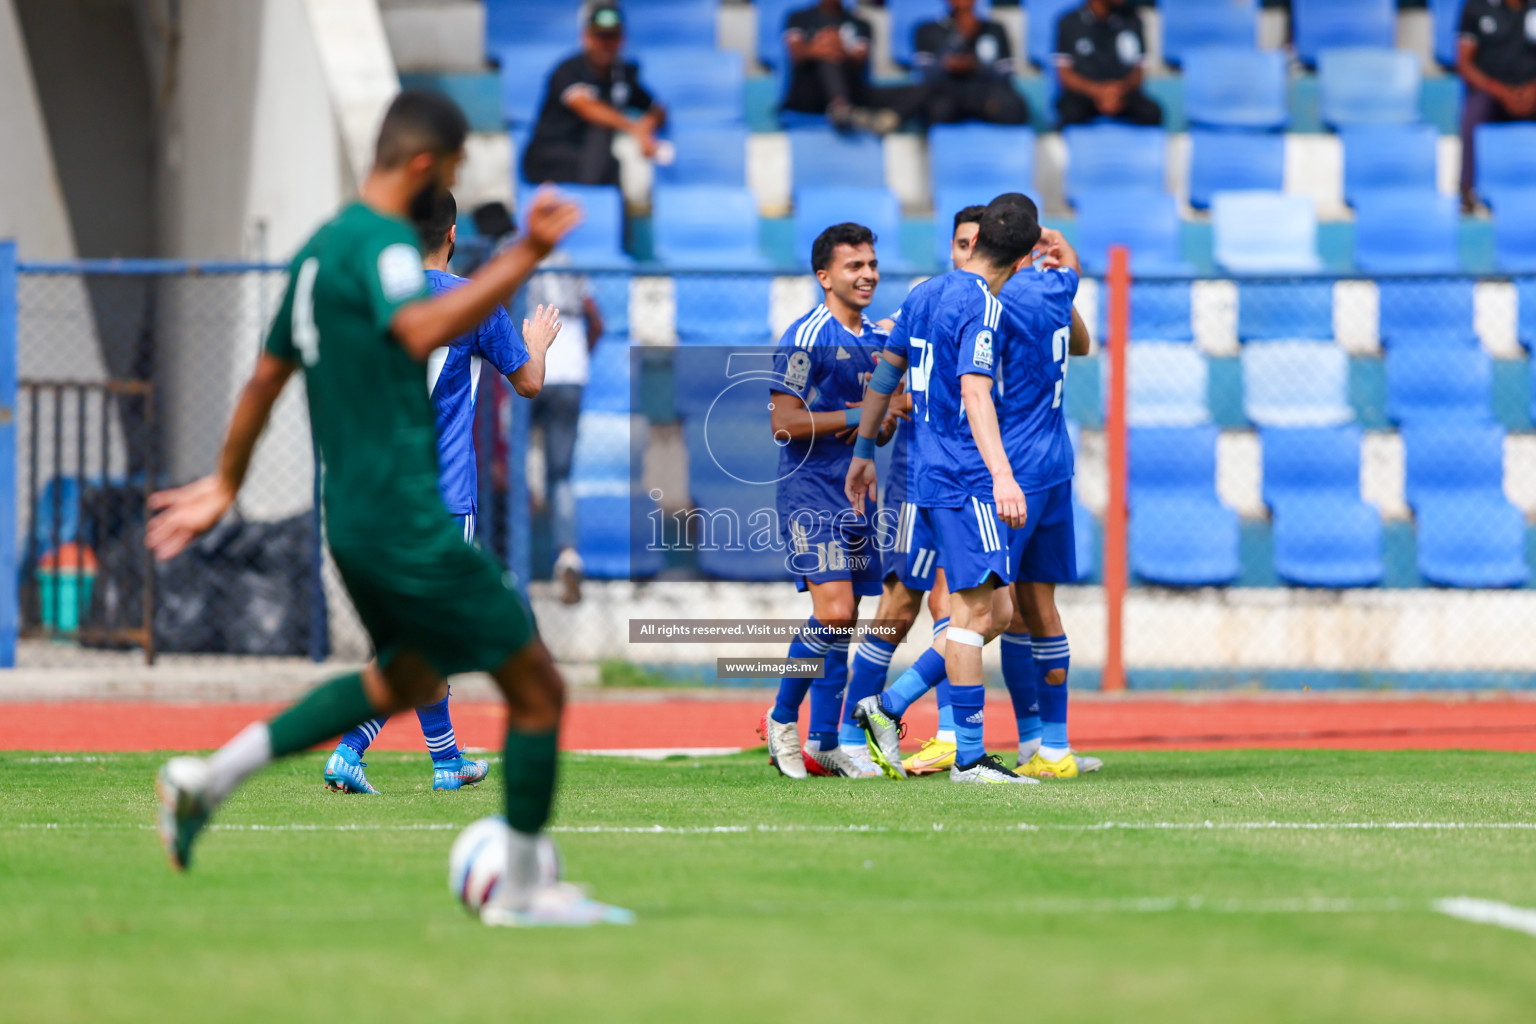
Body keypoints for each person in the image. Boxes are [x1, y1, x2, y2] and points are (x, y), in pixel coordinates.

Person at [147, 91, 632, 928]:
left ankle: (207, 780)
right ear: (422, 169)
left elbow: (266, 378)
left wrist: (226, 482)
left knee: (402, 676)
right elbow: (419, 328)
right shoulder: (382, 248)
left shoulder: (316, 253)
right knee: (540, 691)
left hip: (354, 521)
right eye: (445, 173)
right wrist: (523, 257)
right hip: (416, 517)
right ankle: (519, 893)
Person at [321, 189, 562, 796]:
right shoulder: (475, 301)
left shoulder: (377, 301)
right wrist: (537, 344)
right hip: (443, 494)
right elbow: (529, 383)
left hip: (377, 494)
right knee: (436, 632)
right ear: (453, 233)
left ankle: (447, 761)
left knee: (421, 631)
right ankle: (351, 746)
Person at [846, 196, 1040, 785]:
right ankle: (971, 759)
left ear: (978, 239)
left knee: (998, 612)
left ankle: (887, 705)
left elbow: (886, 371)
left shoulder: (925, 292)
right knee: (972, 614)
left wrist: (862, 452)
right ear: (1025, 255)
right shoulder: (982, 304)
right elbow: (977, 393)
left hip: (924, 475)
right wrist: (1002, 475)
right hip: (965, 478)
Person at [759, 222, 898, 780]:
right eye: (854, 266)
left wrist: (883, 422)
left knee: (847, 621)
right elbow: (783, 422)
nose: (867, 275)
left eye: (871, 264)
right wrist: (860, 415)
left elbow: (876, 431)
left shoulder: (873, 338)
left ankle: (823, 743)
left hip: (858, 494)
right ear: (824, 276)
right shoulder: (806, 335)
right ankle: (780, 720)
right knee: (834, 612)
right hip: (810, 492)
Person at [521, 3, 667, 187]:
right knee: (601, 132)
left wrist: (647, 124)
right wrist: (633, 128)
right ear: (586, 37)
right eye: (600, 35)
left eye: (612, 35)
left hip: (594, 164)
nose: (606, 43)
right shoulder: (568, 70)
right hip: (551, 159)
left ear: (622, 38)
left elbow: (658, 108)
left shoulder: (622, 75)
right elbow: (587, 108)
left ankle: (627, 211)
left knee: (626, 161)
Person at [780, 0, 920, 133]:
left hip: (851, 91)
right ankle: (841, 108)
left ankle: (884, 120)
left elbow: (859, 61)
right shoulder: (799, 17)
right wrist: (820, 49)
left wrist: (841, 50)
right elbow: (796, 54)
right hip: (808, 95)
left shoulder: (860, 23)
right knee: (829, 58)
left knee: (921, 89)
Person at [1456, 0, 1536, 212]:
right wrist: (1501, 92)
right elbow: (1464, 63)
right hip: (1492, 92)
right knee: (1474, 111)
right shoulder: (1476, 7)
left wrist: (1532, 90)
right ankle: (1467, 191)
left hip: (1532, 91)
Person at [912, 0, 1029, 126]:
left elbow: (1006, 75)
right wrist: (960, 37)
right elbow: (928, 77)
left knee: (1014, 107)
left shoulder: (994, 29)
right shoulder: (928, 30)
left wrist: (976, 67)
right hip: (948, 92)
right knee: (935, 108)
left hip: (985, 92)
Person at [1053, 0, 1163, 128]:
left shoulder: (1133, 20)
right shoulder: (1069, 22)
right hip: (1086, 94)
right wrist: (1098, 92)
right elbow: (1065, 74)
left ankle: (1146, 148)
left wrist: (1118, 91)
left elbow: (1138, 70)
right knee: (1070, 112)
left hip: (1122, 93)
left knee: (1151, 113)